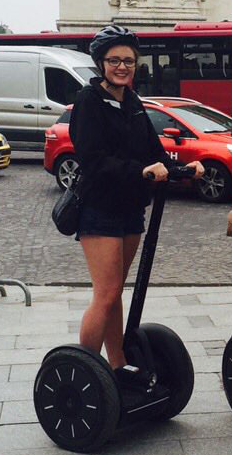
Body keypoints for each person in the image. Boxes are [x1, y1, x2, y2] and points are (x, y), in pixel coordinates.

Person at [69, 25, 202, 377]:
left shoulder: (133, 101)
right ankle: (85, 373)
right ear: (101, 63)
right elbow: (93, 161)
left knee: (115, 294)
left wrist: (183, 167)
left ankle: (118, 365)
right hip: (99, 210)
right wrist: (141, 171)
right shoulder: (89, 101)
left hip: (130, 209)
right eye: (115, 60)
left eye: (128, 60)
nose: (122, 67)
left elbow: (153, 150)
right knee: (107, 293)